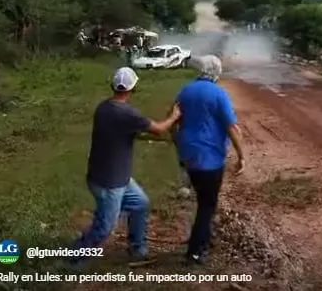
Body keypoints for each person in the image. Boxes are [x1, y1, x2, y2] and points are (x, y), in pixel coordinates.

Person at [69, 67, 180, 264]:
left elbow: (127, 132)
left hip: (110, 176)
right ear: (133, 88)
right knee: (104, 228)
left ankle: (137, 248)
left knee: (140, 204)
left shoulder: (103, 108)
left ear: (114, 86)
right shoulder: (128, 114)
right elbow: (159, 129)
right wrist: (174, 115)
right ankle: (73, 257)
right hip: (110, 183)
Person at [174, 55, 246, 264]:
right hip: (210, 159)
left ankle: (202, 236)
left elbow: (172, 121)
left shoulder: (186, 90)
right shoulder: (219, 94)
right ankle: (195, 252)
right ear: (217, 73)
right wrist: (241, 156)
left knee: (201, 200)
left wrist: (180, 148)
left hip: (189, 156)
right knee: (207, 205)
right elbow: (232, 127)